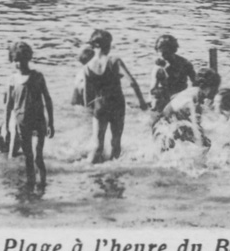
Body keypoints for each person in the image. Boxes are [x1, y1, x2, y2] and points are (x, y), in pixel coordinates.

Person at [81, 29, 147, 163]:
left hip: (100, 106)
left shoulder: (87, 67)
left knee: (98, 144)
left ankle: (89, 171)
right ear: (104, 45)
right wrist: (142, 102)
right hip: (117, 105)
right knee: (115, 143)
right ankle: (114, 173)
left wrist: (91, 110)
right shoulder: (114, 61)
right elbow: (132, 82)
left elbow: (87, 97)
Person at [1, 41, 54, 188]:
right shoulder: (12, 80)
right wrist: (6, 127)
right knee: (28, 157)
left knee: (38, 156)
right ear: (12, 60)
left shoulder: (37, 77)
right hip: (21, 122)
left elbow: (48, 100)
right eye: (16, 61)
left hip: (38, 120)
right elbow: (8, 106)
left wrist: (51, 123)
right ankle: (30, 186)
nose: (19, 64)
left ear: (28, 59)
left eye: (22, 60)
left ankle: (42, 184)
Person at [152, 67, 221, 150]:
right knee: (205, 144)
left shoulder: (192, 91)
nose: (216, 91)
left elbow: (173, 99)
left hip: (159, 125)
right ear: (210, 87)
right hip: (164, 129)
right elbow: (197, 131)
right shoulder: (195, 101)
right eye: (215, 88)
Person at [150, 34, 196, 112]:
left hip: (181, 96)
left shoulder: (184, 63)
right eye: (161, 52)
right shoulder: (159, 67)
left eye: (166, 53)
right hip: (165, 98)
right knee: (156, 102)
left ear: (173, 50)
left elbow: (195, 82)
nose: (163, 56)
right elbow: (153, 89)